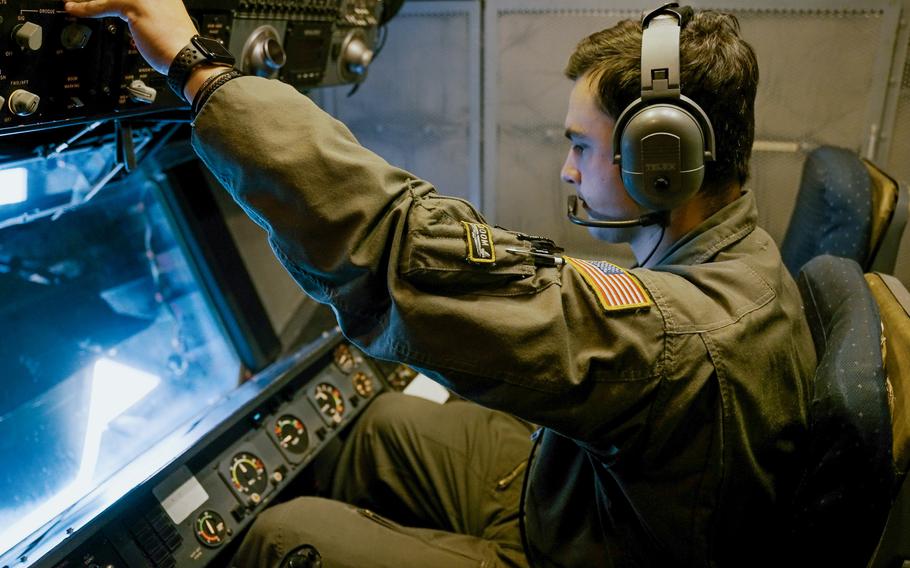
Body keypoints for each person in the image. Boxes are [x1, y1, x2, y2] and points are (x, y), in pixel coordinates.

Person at [63, 0, 816, 565]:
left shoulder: (675, 334)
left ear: (663, 160)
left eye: (582, 146)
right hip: (587, 501)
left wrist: (198, 68)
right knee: (378, 429)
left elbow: (401, 252)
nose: (566, 169)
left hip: (580, 552)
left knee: (284, 539)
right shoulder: (740, 257)